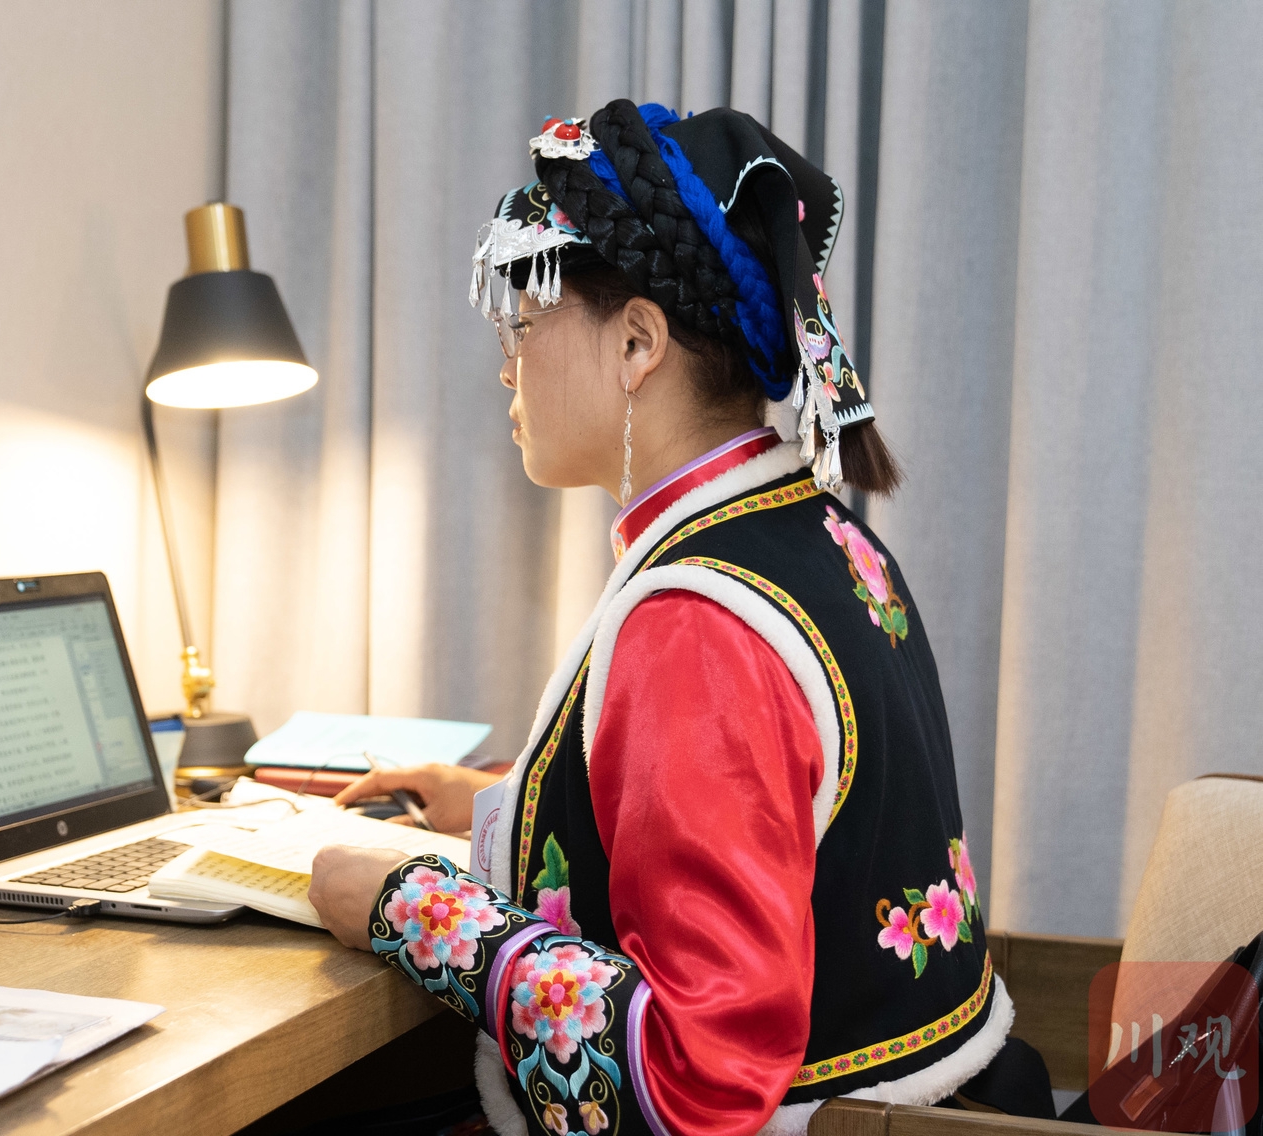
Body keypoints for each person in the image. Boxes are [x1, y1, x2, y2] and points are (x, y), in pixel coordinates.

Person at [307, 101, 1014, 1136]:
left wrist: (408, 904)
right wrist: (503, 807)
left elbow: (696, 1081)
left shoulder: (695, 619)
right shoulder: (811, 533)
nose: (505, 365)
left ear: (638, 340)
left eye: (523, 321)